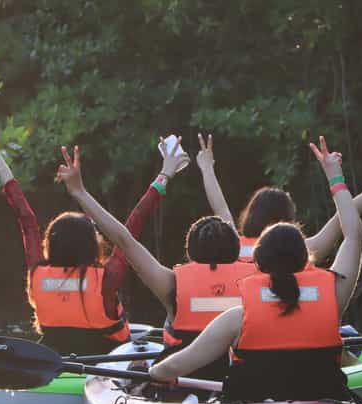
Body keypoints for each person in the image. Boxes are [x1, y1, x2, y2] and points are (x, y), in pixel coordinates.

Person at [149, 136, 362, 403]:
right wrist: (335, 176)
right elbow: (354, 235)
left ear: (258, 264)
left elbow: (174, 366)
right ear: (305, 259)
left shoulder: (237, 317)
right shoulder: (333, 294)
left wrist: (154, 372)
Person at [54, 137, 255, 381]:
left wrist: (80, 192)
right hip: (235, 385)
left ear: (191, 253)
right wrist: (207, 169)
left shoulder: (172, 285)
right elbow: (224, 213)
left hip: (181, 386)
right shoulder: (253, 279)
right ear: (235, 250)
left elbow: (123, 239)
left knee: (139, 371)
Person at [0, 129, 187, 355]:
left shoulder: (37, 271)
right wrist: (165, 173)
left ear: (51, 244)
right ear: (92, 246)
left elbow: (26, 219)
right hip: (105, 364)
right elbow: (133, 226)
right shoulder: (107, 279)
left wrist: (1, 168)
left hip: (55, 360)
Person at [197, 132, 362, 264]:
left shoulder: (232, 248)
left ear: (251, 215)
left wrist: (206, 167)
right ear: (288, 219)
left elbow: (221, 209)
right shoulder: (303, 251)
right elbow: (344, 218)